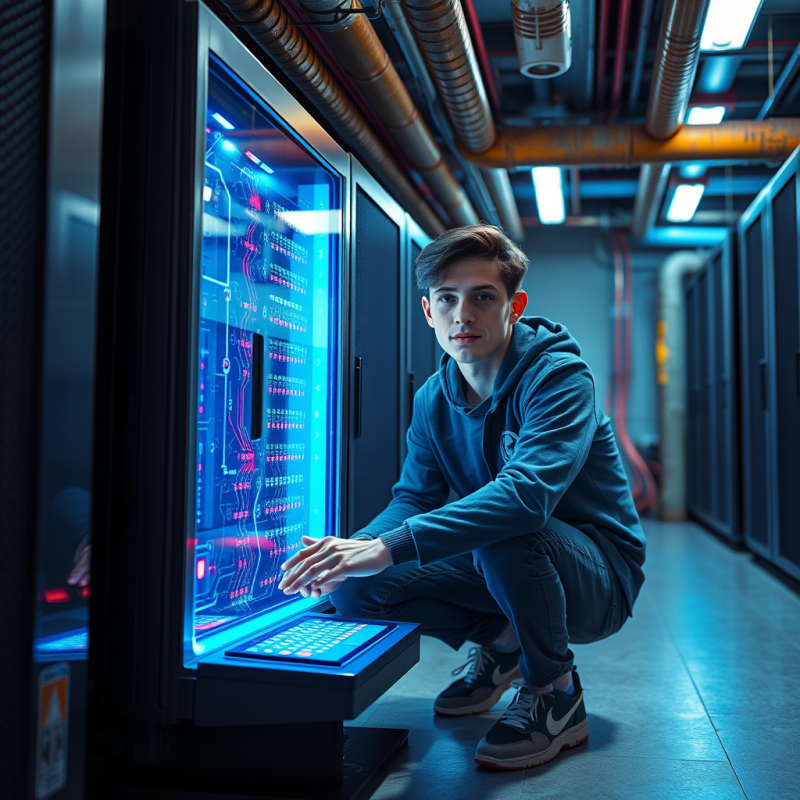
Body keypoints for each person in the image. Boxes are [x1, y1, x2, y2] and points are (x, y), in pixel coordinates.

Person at [278, 223, 646, 771]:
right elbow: (412, 497)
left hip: (596, 580)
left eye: (482, 297)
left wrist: (389, 547)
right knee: (357, 592)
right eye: (446, 299)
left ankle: (557, 694)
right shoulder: (434, 397)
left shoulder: (559, 377)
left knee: (510, 530)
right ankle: (505, 646)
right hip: (505, 560)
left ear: (514, 305)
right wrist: (352, 551)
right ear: (428, 311)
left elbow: (526, 499)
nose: (462, 315)